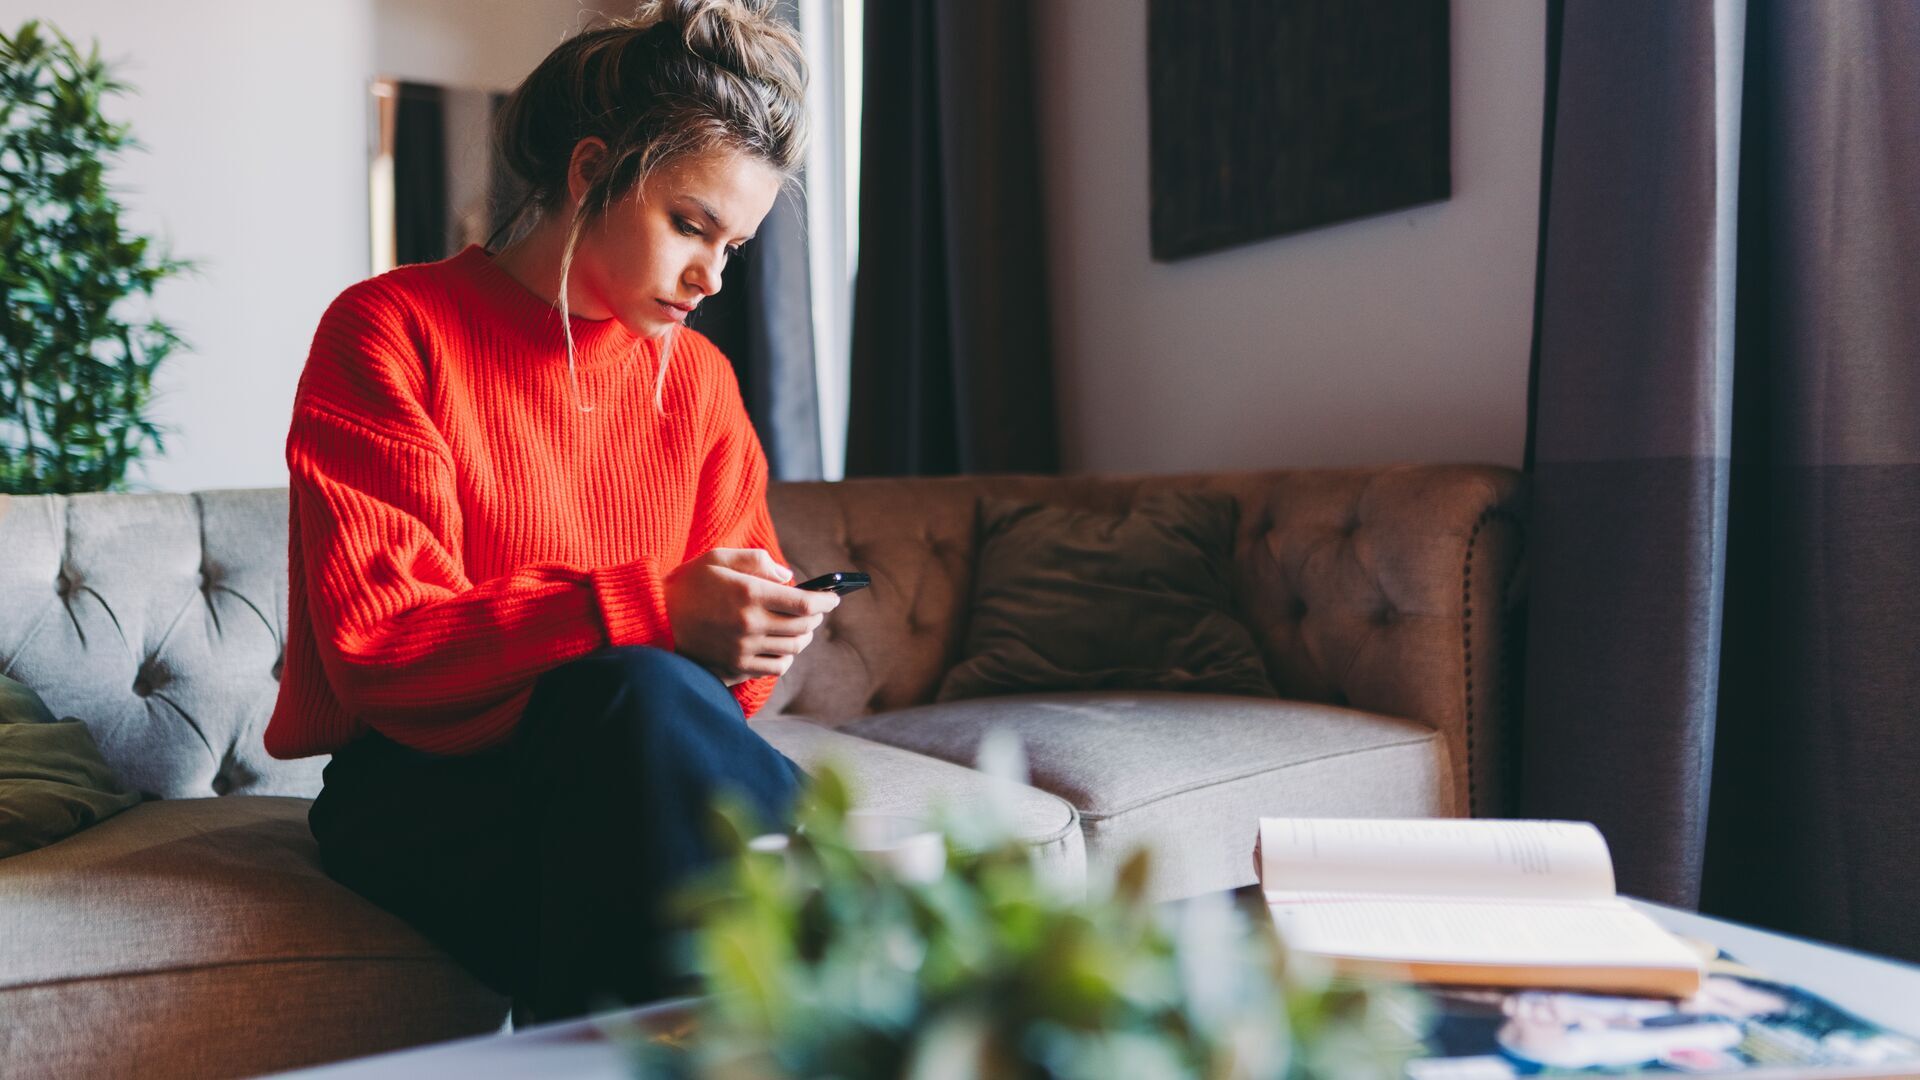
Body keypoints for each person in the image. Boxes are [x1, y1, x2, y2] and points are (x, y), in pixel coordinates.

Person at [261, 0, 837, 1026]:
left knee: (634, 752)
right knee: (628, 702)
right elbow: (379, 646)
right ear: (589, 172)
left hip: (620, 778)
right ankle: (866, 957)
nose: (711, 276)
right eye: (690, 225)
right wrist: (650, 612)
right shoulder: (391, 332)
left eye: (735, 246)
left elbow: (719, 711)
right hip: (422, 787)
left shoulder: (698, 380)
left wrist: (752, 633)